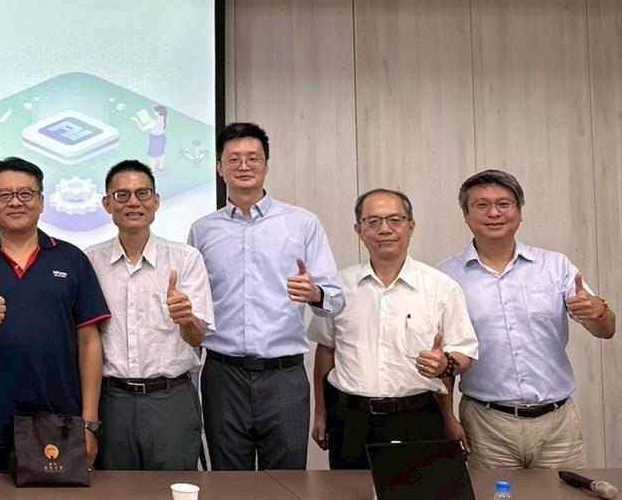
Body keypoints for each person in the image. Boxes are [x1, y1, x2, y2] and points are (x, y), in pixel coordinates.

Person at [187, 122, 344, 470]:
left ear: (266, 165)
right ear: (219, 168)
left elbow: (334, 300)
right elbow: (195, 307)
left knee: (287, 483)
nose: (243, 166)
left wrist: (314, 293)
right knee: (230, 483)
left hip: (283, 375)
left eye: (253, 158)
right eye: (233, 159)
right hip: (223, 375)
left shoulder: (302, 223)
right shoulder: (202, 230)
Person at [438, 169, 615, 469]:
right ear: (466, 215)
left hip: (558, 424)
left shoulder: (555, 266)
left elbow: (605, 330)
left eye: (504, 204)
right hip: (485, 424)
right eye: (481, 205)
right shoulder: (445, 277)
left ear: (519, 212)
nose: (494, 213)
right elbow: (443, 358)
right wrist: (447, 417)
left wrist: (601, 312)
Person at [0, 156, 110, 470]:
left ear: (41, 202)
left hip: (60, 419)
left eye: (25, 194)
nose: (15, 202)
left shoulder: (71, 259)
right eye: (4, 195)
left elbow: (89, 342)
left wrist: (89, 423)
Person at [308, 188, 478, 469]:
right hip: (350, 420)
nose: (384, 229)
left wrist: (445, 365)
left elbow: (465, 353)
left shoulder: (441, 287)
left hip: (418, 417)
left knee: (418, 496)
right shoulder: (338, 287)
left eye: (395, 220)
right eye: (372, 221)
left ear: (411, 226)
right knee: (346, 497)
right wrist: (320, 413)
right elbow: (326, 350)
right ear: (358, 231)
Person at [85, 159, 212, 470]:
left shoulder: (185, 258)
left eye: (143, 193)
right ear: (107, 204)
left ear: (156, 201)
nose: (133, 202)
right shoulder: (89, 262)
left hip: (170, 399)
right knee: (112, 493)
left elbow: (198, 337)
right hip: (111, 401)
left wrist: (186, 319)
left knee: (174, 492)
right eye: (122, 195)